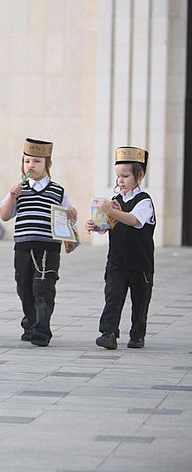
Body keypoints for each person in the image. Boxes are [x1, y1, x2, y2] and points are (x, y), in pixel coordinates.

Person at [0, 138, 77, 347]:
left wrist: (72, 214)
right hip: (23, 246)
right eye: (27, 161)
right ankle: (30, 322)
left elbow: (70, 214)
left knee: (43, 288)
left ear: (48, 165)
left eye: (36, 161)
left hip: (48, 247)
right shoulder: (19, 191)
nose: (30, 166)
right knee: (24, 287)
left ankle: (42, 331)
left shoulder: (57, 190)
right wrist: (12, 197)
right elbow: (5, 216)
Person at [86, 146, 154, 350]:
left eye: (125, 176)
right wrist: (96, 225)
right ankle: (108, 333)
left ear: (139, 175)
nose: (120, 181)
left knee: (140, 300)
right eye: (118, 176)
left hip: (140, 262)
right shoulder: (115, 202)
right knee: (113, 295)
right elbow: (107, 224)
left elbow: (134, 220)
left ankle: (137, 334)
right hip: (116, 260)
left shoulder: (144, 201)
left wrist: (111, 212)